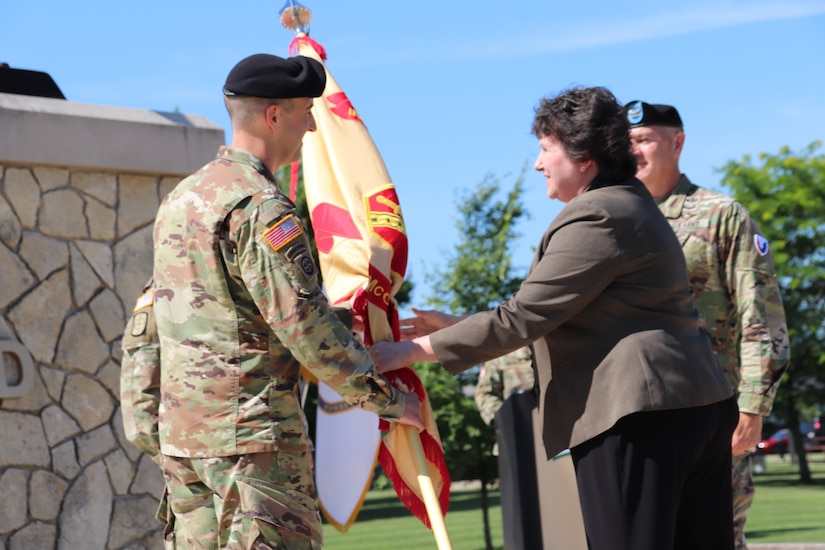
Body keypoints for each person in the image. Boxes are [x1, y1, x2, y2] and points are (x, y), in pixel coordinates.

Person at [370, 86, 738, 550]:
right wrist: (453, 324)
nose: (538, 164)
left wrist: (404, 352)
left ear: (584, 157)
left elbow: (523, 317)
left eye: (545, 149)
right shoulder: (629, 204)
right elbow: (554, 308)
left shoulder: (597, 214)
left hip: (641, 417)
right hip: (692, 407)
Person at [151, 53, 423, 550]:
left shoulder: (181, 201)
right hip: (252, 444)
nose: (313, 124)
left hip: (185, 445)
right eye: (304, 111)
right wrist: (387, 402)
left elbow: (160, 322)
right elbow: (303, 326)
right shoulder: (259, 207)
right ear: (274, 116)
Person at [624, 100, 791, 549]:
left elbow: (763, 313)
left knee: (714, 536)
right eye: (625, 143)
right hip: (635, 414)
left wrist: (753, 407)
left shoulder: (721, 215)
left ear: (677, 143)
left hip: (713, 411)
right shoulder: (615, 219)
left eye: (643, 140)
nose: (633, 151)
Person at [474, 346, 535, 428]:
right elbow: (484, 393)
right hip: (523, 426)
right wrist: (504, 417)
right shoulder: (499, 358)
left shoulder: (549, 346)